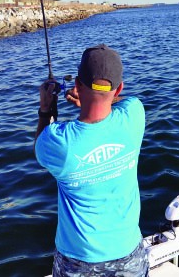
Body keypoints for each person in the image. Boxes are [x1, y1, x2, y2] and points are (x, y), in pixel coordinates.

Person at [34, 44, 149, 277]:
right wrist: (95, 99)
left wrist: (46, 109)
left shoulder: (59, 142)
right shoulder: (135, 115)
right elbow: (118, 100)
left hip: (78, 263)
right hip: (129, 254)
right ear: (119, 89)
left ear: (77, 84)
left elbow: (42, 143)